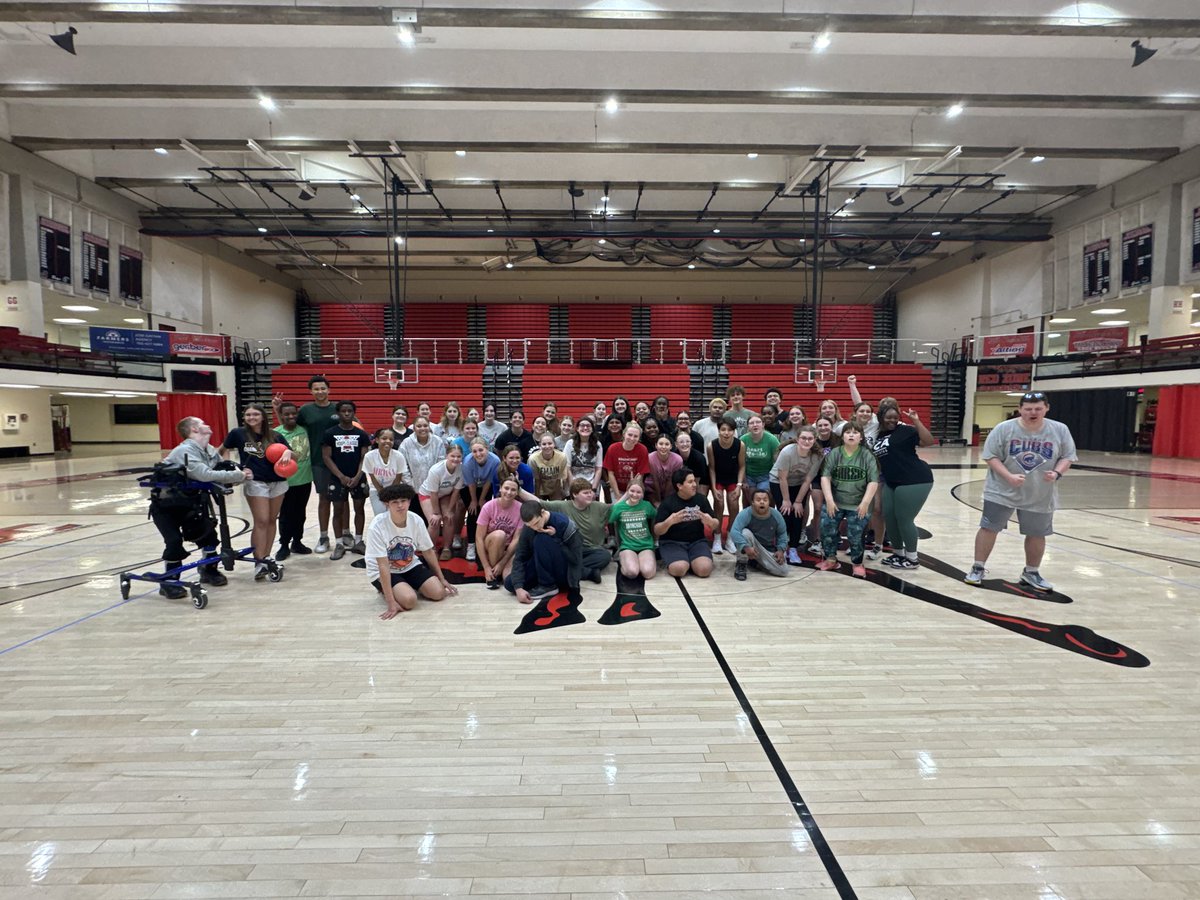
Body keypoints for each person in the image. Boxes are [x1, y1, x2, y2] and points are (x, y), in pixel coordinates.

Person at [966, 391, 1076, 592]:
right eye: (1028, 409)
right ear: (1020, 409)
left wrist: (1057, 473)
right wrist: (1008, 476)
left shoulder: (1059, 429)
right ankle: (977, 567)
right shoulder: (1004, 428)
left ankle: (1031, 572)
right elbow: (990, 456)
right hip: (1001, 490)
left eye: (1038, 409)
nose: (1033, 413)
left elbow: (1068, 456)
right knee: (989, 527)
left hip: (1039, 493)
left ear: (1047, 408)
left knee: (1037, 533)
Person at [152, 416, 249, 597]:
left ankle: (208, 570)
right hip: (167, 505)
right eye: (202, 423)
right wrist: (239, 476)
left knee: (209, 536)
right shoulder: (184, 451)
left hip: (192, 502)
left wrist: (237, 474)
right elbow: (205, 475)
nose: (207, 424)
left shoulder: (209, 449)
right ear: (194, 429)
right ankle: (169, 582)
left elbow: (220, 471)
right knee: (174, 542)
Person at [366, 483, 458, 620]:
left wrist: (442, 578)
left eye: (403, 501)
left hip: (409, 564)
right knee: (409, 601)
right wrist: (391, 602)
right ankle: (385, 589)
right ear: (387, 504)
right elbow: (383, 566)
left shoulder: (416, 520)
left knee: (439, 593)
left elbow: (428, 551)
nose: (400, 505)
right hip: (384, 571)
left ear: (409, 501)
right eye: (395, 502)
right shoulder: (377, 526)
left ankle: (404, 586)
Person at [274, 375, 339, 554]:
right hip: (317, 462)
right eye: (316, 389)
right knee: (319, 500)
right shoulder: (305, 410)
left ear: (329, 390)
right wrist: (277, 410)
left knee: (339, 501)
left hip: (338, 462)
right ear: (311, 391)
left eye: (323, 388)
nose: (320, 391)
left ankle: (342, 536)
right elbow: (288, 428)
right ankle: (318, 538)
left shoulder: (338, 408)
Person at [874, 406, 937, 570]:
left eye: (895, 417)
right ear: (881, 418)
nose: (892, 420)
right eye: (888, 417)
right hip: (891, 482)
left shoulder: (906, 430)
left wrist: (916, 421)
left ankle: (912, 558)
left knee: (904, 519)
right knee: (890, 518)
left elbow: (928, 441)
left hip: (914, 479)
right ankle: (898, 554)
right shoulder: (880, 435)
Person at [817, 422, 879, 578]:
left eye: (855, 432)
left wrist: (865, 503)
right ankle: (831, 559)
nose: (851, 435)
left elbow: (873, 481)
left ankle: (857, 563)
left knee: (855, 535)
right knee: (826, 528)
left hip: (859, 503)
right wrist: (829, 500)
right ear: (842, 436)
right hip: (836, 501)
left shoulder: (867, 455)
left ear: (861, 437)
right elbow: (825, 477)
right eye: (848, 432)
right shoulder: (835, 453)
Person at [505, 500, 584, 604]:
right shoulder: (529, 527)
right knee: (510, 584)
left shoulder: (563, 523)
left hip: (563, 571)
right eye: (530, 525)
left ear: (542, 512)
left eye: (536, 523)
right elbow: (520, 556)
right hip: (540, 567)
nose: (535, 528)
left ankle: (548, 586)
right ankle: (589, 573)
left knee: (541, 539)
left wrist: (555, 538)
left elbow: (576, 558)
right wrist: (518, 588)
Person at [321, 400, 371, 560]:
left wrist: (357, 476)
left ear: (354, 413)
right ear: (338, 413)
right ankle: (339, 544)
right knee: (338, 510)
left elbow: (365, 457)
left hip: (358, 477)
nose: (347, 413)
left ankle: (359, 541)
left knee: (359, 509)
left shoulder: (361, 434)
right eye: (344, 411)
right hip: (337, 478)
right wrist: (340, 476)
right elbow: (326, 457)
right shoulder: (330, 433)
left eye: (350, 411)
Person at [543, 478, 614, 584]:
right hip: (571, 548)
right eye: (586, 493)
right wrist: (520, 491)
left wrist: (628, 494)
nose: (590, 495)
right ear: (575, 494)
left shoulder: (598, 506)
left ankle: (566, 570)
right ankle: (585, 572)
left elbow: (617, 507)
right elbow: (538, 502)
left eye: (590, 492)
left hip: (591, 550)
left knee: (605, 556)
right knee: (555, 553)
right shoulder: (562, 505)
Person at [769, 425, 822, 564]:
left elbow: (807, 480)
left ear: (814, 440)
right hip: (778, 482)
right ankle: (781, 547)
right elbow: (782, 478)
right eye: (803, 438)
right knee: (785, 512)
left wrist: (798, 502)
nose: (806, 441)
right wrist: (786, 500)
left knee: (798, 514)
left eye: (810, 439)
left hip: (799, 483)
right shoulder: (787, 452)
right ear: (797, 439)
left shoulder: (817, 456)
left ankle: (793, 548)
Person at [654, 468, 719, 578]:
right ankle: (680, 559)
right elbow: (657, 530)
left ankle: (690, 560)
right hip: (672, 542)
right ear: (679, 486)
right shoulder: (668, 503)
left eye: (694, 481)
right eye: (690, 482)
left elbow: (716, 523)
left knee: (704, 570)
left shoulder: (701, 499)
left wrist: (710, 521)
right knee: (679, 569)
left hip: (697, 541)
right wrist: (669, 522)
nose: (695, 485)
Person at [273, 401, 314, 561]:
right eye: (286, 414)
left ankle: (297, 542)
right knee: (285, 514)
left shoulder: (304, 429)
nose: (291, 416)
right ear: (281, 416)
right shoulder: (276, 433)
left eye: (293, 413)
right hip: (285, 481)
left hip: (304, 479)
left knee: (300, 513)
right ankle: (284, 544)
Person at [476, 476, 525, 588]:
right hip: (490, 545)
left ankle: (499, 571)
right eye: (506, 488)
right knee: (500, 535)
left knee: (509, 581)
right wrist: (486, 567)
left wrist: (502, 563)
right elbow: (479, 538)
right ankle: (493, 572)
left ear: (517, 492)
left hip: (508, 550)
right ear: (500, 489)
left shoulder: (521, 509)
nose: (509, 492)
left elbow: (516, 539)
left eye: (513, 490)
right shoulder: (488, 507)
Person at [730, 488, 789, 580]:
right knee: (745, 533)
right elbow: (734, 531)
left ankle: (755, 563)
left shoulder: (776, 515)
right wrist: (745, 547)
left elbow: (782, 534)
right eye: (758, 500)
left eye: (765, 500)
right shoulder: (745, 513)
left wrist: (781, 549)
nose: (762, 502)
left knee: (783, 571)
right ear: (752, 503)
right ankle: (741, 563)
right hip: (750, 546)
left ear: (769, 502)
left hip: (766, 549)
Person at [420, 443, 466, 560]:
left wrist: (450, 510)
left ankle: (446, 548)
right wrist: (436, 513)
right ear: (446, 456)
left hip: (446, 494)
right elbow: (433, 493)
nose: (455, 459)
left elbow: (456, 492)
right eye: (452, 456)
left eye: (458, 456)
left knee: (449, 518)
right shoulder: (436, 470)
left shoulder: (461, 469)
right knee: (434, 522)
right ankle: (431, 549)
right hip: (428, 495)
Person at [707, 417, 745, 554]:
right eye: (723, 429)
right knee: (719, 503)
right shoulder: (711, 446)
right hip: (718, 478)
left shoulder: (740, 445)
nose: (726, 433)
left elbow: (742, 466)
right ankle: (717, 538)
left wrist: (739, 485)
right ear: (719, 431)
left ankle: (729, 537)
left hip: (733, 479)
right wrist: (713, 487)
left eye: (729, 430)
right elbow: (711, 468)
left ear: (734, 431)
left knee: (734, 504)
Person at [805, 415, 842, 553]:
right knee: (818, 509)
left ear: (831, 426)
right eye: (820, 425)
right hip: (818, 478)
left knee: (834, 509)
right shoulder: (813, 442)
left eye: (826, 425)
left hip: (836, 479)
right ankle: (817, 540)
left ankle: (834, 536)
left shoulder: (839, 440)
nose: (823, 428)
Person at [462, 438, 501, 563]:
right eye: (474, 451)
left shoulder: (495, 461)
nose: (478, 454)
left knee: (484, 513)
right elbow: (471, 484)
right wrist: (474, 500)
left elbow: (489, 481)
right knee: (473, 512)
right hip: (469, 488)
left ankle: (483, 541)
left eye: (481, 450)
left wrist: (482, 498)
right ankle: (471, 544)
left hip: (485, 486)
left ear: (487, 449)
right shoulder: (467, 462)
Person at [609, 481, 657, 580]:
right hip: (627, 546)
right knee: (632, 572)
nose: (635, 494)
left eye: (638, 492)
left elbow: (656, 518)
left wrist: (655, 538)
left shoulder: (647, 505)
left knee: (648, 573)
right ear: (627, 491)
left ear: (643, 494)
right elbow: (609, 520)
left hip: (645, 545)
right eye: (632, 491)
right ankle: (623, 558)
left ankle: (642, 561)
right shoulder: (619, 507)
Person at [399, 416, 447, 514]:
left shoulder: (438, 442)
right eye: (419, 426)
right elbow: (402, 465)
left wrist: (434, 483)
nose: (422, 428)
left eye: (425, 425)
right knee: (416, 518)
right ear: (414, 428)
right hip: (413, 490)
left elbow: (441, 464)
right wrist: (411, 484)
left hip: (433, 490)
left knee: (432, 519)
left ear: (429, 427)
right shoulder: (406, 443)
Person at [363, 427, 407, 516]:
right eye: (384, 438)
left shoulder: (399, 456)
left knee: (394, 515)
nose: (388, 441)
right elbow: (372, 478)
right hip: (376, 490)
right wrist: (382, 493)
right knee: (380, 516)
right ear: (377, 440)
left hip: (395, 489)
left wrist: (390, 495)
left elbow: (398, 478)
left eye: (391, 439)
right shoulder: (369, 456)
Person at [740, 414, 780, 508]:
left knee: (764, 497)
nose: (755, 425)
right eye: (751, 423)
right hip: (749, 476)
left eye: (758, 422)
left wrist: (774, 479)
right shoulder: (743, 440)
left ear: (763, 424)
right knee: (751, 499)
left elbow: (778, 461)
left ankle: (770, 515)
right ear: (748, 426)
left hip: (766, 475)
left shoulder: (772, 440)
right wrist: (744, 481)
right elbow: (740, 463)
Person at [603, 422, 651, 498]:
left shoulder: (643, 449)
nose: (632, 438)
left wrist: (631, 492)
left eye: (636, 436)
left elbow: (640, 475)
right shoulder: (612, 448)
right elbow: (611, 474)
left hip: (635, 488)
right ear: (624, 434)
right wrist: (617, 495)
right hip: (616, 489)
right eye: (630, 435)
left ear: (639, 438)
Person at [565, 416, 603, 493]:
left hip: (591, 485)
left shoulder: (598, 444)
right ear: (577, 429)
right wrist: (573, 489)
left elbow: (598, 469)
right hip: (573, 485)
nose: (585, 428)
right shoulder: (570, 443)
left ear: (592, 429)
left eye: (588, 426)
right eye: (582, 425)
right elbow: (567, 468)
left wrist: (593, 489)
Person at [529, 433, 570, 501]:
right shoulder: (533, 459)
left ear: (554, 444)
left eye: (550, 443)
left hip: (555, 487)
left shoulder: (562, 457)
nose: (547, 446)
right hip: (540, 488)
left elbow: (559, 479)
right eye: (544, 444)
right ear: (540, 445)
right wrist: (538, 499)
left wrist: (557, 499)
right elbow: (536, 481)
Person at [646, 434, 683, 505]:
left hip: (670, 489)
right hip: (653, 488)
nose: (663, 447)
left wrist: (665, 501)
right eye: (661, 444)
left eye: (667, 444)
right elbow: (655, 480)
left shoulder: (677, 460)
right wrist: (658, 500)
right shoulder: (650, 458)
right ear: (656, 445)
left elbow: (670, 481)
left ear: (671, 446)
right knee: (657, 504)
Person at [674, 431, 709, 499]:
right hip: (681, 481)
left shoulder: (699, 458)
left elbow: (697, 482)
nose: (685, 444)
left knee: (699, 498)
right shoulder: (673, 456)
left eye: (687, 441)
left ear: (691, 443)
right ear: (676, 444)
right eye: (681, 442)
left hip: (700, 481)